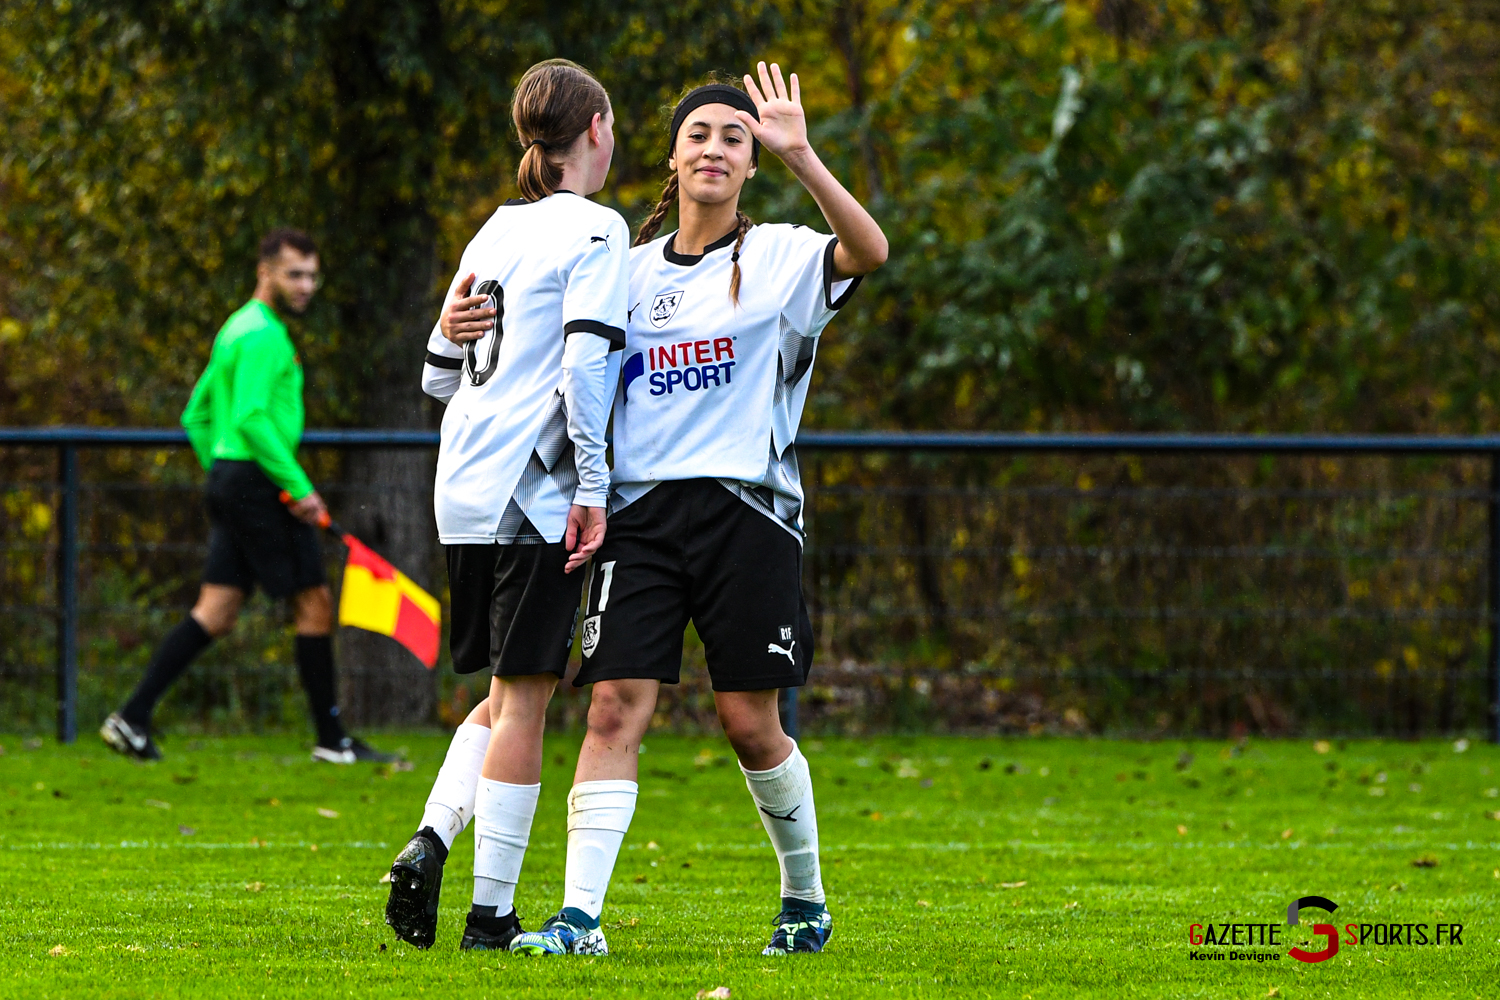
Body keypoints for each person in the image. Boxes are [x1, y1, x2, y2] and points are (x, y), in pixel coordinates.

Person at [505, 63, 887, 958]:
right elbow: (547, 352)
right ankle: (579, 922)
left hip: (746, 515)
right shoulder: (622, 272)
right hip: (635, 519)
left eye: (734, 138)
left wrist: (805, 155)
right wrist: (466, 323)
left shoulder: (782, 255)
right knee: (611, 709)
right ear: (671, 159)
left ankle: (805, 899)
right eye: (698, 135)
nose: (714, 148)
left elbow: (868, 252)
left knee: (751, 720)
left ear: (752, 162)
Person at [382, 58, 627, 953]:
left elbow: (436, 376)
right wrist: (594, 490)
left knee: (501, 696)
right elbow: (584, 365)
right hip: (533, 489)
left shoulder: (492, 232)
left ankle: (431, 838)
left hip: (465, 489)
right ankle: (491, 917)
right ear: (595, 129)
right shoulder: (595, 230)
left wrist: (445, 337)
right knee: (525, 703)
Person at [100, 230, 393, 765]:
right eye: (294, 275)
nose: (306, 286)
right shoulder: (264, 337)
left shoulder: (236, 327)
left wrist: (222, 472)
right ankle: (333, 742)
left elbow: (197, 415)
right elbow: (251, 417)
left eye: (311, 275)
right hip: (261, 482)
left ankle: (132, 718)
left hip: (236, 479)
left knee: (216, 610)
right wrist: (296, 487)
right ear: (266, 272)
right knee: (314, 603)